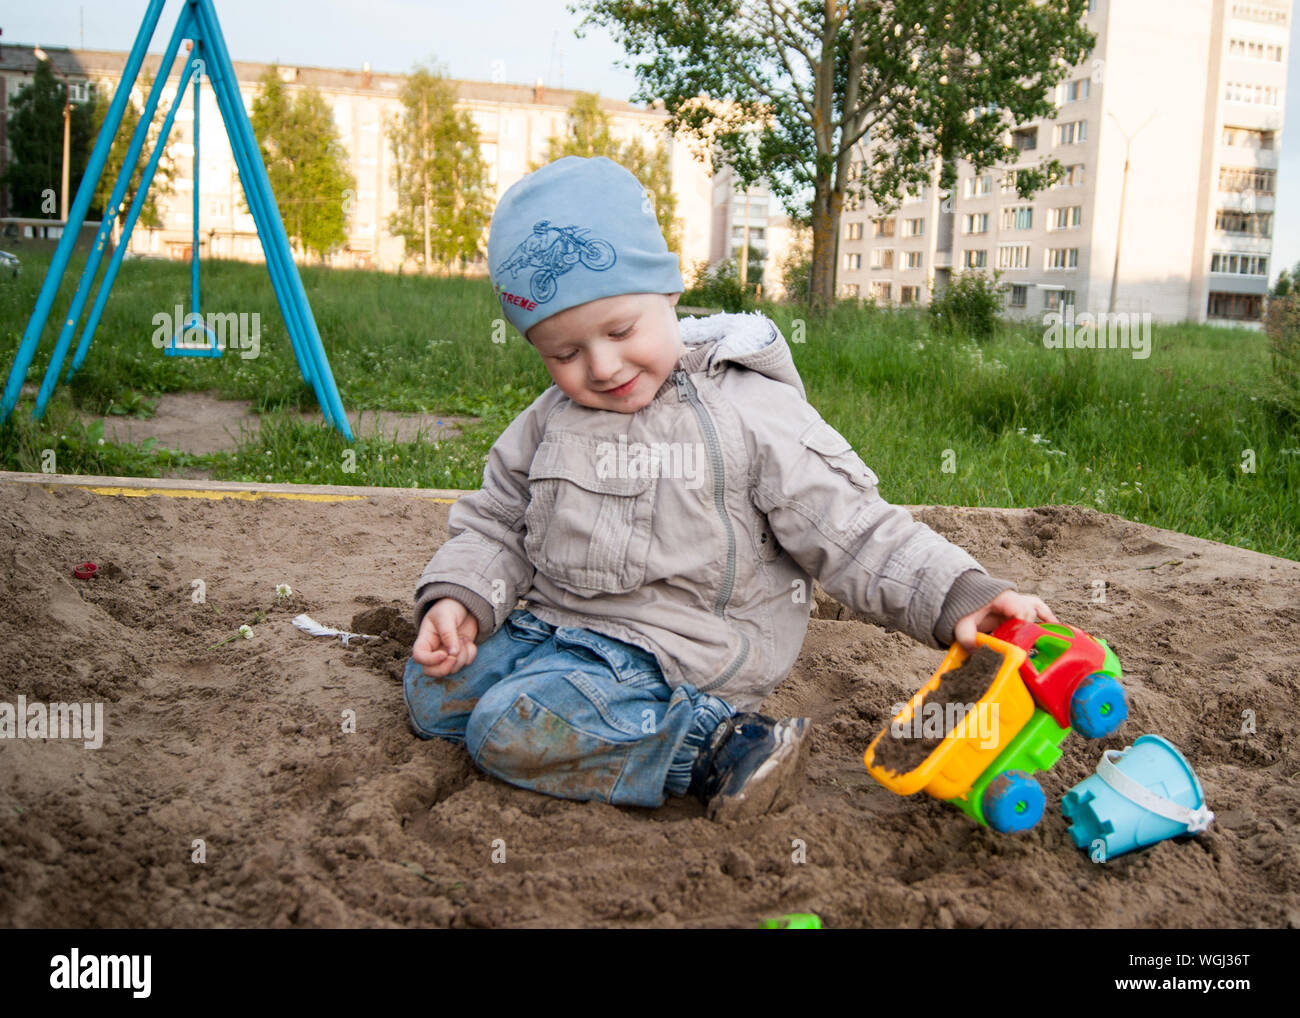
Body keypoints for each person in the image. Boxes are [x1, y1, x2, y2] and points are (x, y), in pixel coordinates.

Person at [403, 155, 1057, 821]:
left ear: (668, 293)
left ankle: (722, 743)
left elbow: (854, 527)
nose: (600, 367)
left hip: (674, 653)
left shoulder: (743, 408)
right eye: (563, 353)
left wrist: (956, 595)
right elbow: (496, 523)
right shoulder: (549, 418)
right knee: (435, 692)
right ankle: (573, 709)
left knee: (506, 728)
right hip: (556, 627)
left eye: (621, 331)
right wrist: (460, 600)